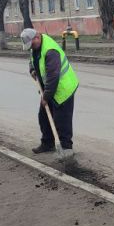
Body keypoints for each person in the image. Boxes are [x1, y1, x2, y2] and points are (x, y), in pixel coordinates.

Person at [21, 27, 78, 159]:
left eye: (31, 44)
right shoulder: (35, 46)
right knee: (44, 117)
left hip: (63, 88)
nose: (31, 48)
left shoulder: (50, 51)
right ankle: (47, 143)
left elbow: (53, 78)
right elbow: (32, 60)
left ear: (37, 37)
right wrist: (32, 70)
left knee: (62, 120)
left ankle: (66, 148)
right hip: (49, 88)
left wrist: (46, 97)